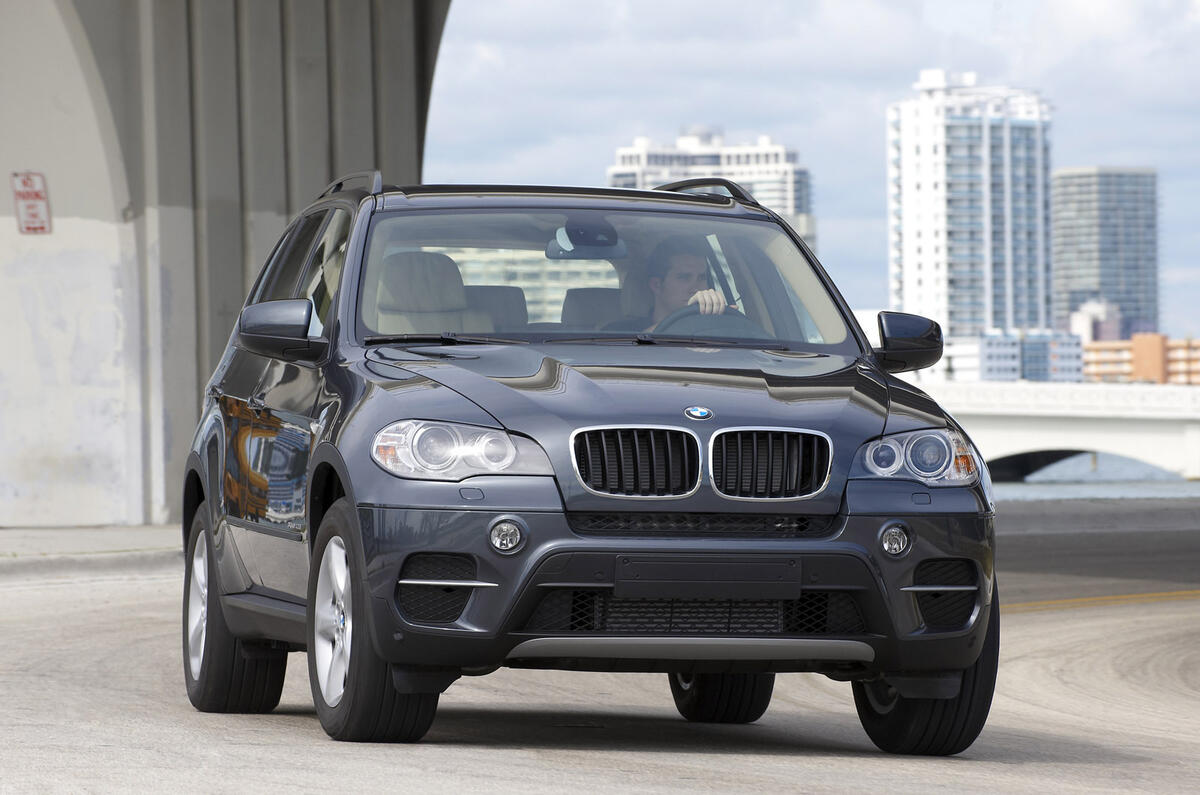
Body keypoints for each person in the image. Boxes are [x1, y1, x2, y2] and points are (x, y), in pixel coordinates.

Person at [606, 236, 731, 331]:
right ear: (656, 285)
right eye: (684, 277)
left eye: (701, 277)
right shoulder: (620, 330)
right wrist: (682, 321)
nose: (696, 289)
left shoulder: (716, 328)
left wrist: (723, 319)